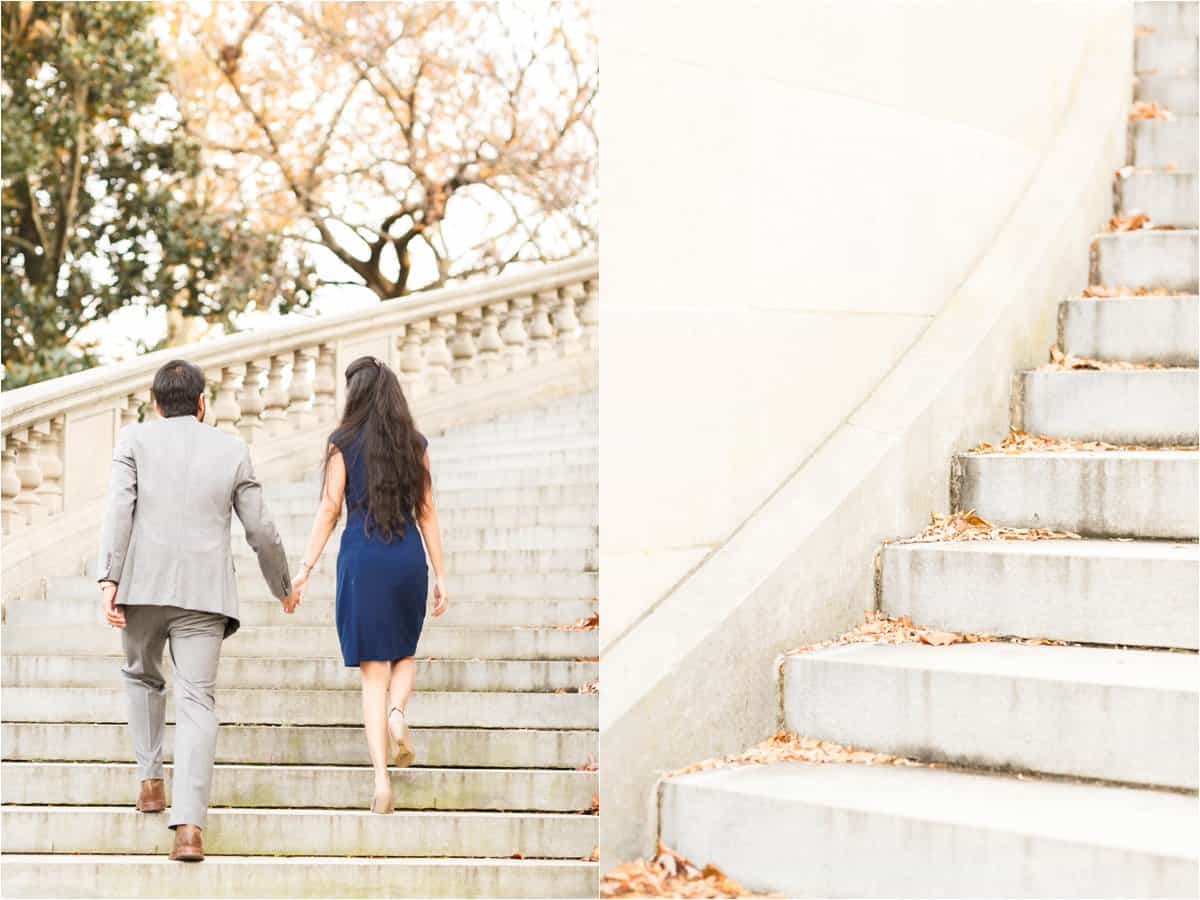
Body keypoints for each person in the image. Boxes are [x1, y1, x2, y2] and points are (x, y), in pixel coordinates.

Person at [97, 359, 296, 862]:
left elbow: (119, 509)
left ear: (157, 404)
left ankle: (149, 781)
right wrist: (282, 587)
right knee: (197, 702)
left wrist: (109, 578)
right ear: (203, 404)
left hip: (142, 587)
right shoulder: (231, 449)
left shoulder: (134, 441)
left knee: (141, 676)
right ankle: (188, 828)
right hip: (205, 596)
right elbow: (262, 530)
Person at [291, 355, 447, 814]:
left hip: (362, 556)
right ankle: (399, 714)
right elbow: (427, 512)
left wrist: (304, 568)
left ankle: (381, 782)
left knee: (371, 675)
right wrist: (441, 575)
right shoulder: (413, 443)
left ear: (354, 393)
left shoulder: (341, 443)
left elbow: (328, 509)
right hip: (406, 558)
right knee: (404, 654)